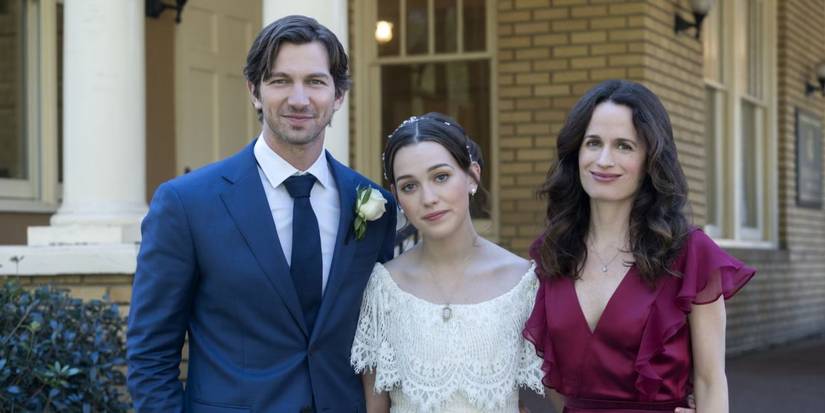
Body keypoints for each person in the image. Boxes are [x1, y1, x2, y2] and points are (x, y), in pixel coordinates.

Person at [126, 15, 397, 412]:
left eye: (315, 82)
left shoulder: (374, 206)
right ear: (254, 90)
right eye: (280, 80)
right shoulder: (186, 204)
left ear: (338, 95)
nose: (299, 99)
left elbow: (380, 338)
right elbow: (150, 354)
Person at [523, 79, 756, 413]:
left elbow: (710, 381)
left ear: (650, 160)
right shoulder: (553, 252)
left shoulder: (691, 253)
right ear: (576, 152)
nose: (604, 160)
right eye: (593, 143)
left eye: (624, 146)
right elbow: (556, 384)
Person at [350, 113, 544, 412]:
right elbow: (374, 406)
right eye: (409, 186)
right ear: (396, 196)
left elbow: (538, 402)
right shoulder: (384, 287)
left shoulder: (523, 283)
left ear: (472, 176)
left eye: (440, 177)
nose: (428, 198)